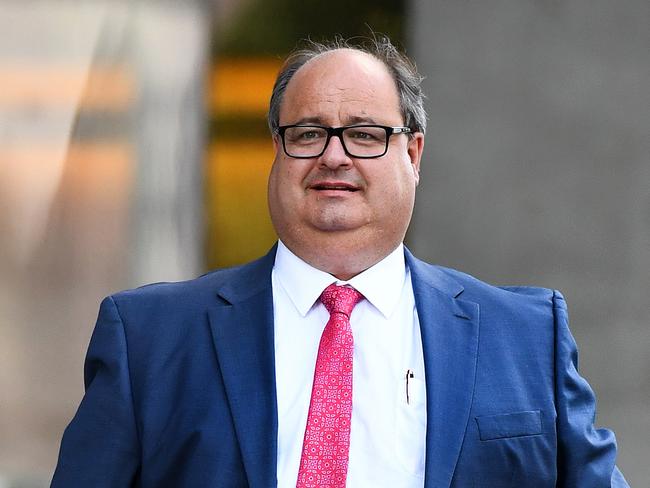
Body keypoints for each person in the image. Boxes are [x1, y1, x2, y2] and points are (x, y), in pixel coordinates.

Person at [51, 36, 628, 488]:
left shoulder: (525, 336)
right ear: (277, 150)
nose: (334, 156)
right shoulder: (149, 339)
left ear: (413, 152)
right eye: (307, 133)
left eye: (364, 134)